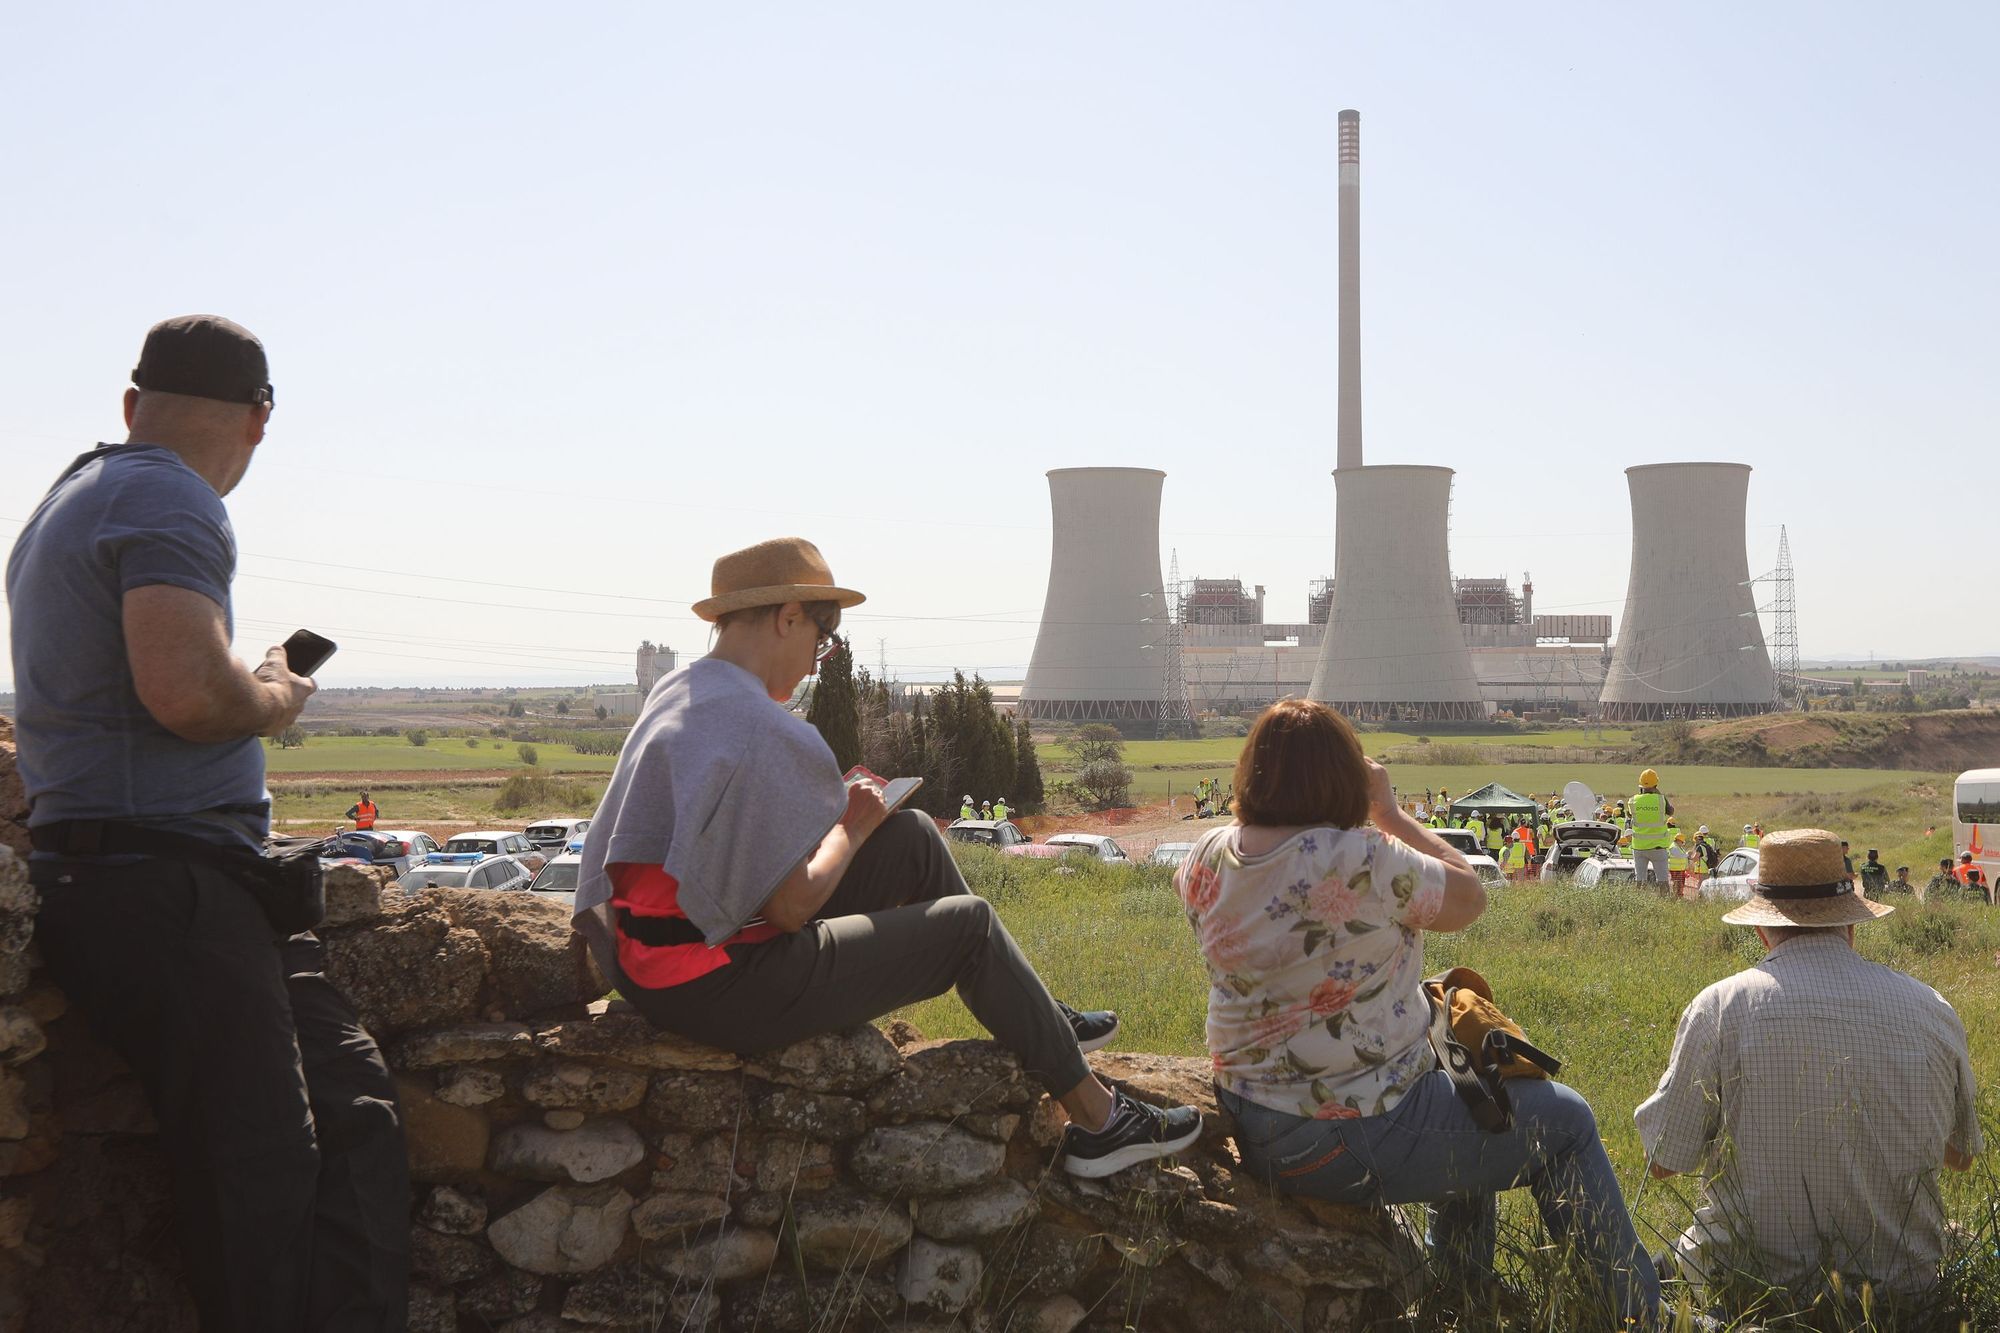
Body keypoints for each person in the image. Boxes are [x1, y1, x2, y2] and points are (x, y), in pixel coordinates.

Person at [6, 316, 409, 1330]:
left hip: (165, 882)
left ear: (131, 402)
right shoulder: (166, 493)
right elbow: (186, 692)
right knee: (258, 1168)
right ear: (259, 421)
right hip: (163, 883)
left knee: (349, 1108)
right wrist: (276, 692)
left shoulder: (78, 493)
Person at [574, 538, 1200, 1178]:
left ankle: (1038, 1015)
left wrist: (867, 827)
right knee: (969, 927)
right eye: (824, 634)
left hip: (654, 963)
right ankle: (1101, 1121)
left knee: (912, 838)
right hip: (717, 984)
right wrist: (850, 824)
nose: (820, 660)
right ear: (788, 615)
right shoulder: (765, 727)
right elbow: (790, 909)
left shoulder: (680, 691)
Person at [1181, 700, 1657, 1324]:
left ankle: (1459, 1296)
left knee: (1469, 1093)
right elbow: (1470, 895)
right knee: (1564, 1122)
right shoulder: (1361, 858)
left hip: (1257, 1118)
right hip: (1348, 1132)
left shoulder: (1207, 853)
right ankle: (1639, 1315)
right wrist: (1391, 812)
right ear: (1345, 777)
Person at [1636, 828, 1981, 1313]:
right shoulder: (1932, 1009)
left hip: (1746, 1283)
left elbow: (1664, 1161)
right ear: (1852, 923)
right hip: (1902, 1290)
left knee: (1644, 1276)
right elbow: (1961, 1157)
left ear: (1761, 927)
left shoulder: (1719, 1007)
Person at [1628, 768, 1675, 889]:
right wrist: (1658, 793)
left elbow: (1629, 815)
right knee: (1663, 881)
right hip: (1658, 847)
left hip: (1639, 847)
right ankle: (1664, 903)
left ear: (1641, 785)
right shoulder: (1661, 799)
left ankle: (1639, 904)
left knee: (1640, 880)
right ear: (1656, 784)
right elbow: (1671, 812)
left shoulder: (1633, 801)